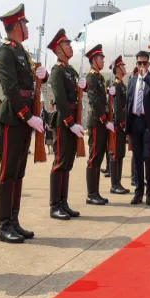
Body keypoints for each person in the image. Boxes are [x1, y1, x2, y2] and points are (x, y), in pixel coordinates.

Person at [0, 3, 47, 243]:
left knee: (18, 172)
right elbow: (11, 88)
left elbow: (29, 84)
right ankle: (4, 225)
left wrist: (42, 76)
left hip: (23, 119)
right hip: (12, 119)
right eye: (25, 24)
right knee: (7, 172)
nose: (27, 27)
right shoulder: (5, 51)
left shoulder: (23, 52)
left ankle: (14, 221)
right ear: (17, 25)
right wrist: (27, 115)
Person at [47, 29, 83, 220]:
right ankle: (55, 205)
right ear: (59, 49)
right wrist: (70, 122)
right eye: (67, 44)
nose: (70, 46)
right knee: (60, 162)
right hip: (63, 122)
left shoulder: (70, 70)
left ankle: (63, 202)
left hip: (71, 121)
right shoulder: (57, 70)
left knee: (67, 163)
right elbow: (60, 98)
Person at [125, 50, 150, 205]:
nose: (141, 65)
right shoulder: (132, 81)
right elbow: (129, 103)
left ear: (148, 64)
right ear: (136, 64)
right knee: (138, 158)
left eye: (144, 63)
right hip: (135, 123)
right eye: (139, 63)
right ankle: (138, 192)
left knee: (148, 157)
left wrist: (146, 76)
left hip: (149, 124)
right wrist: (127, 128)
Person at [82, 44, 113, 205]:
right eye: (101, 58)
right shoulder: (92, 78)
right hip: (96, 123)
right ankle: (91, 194)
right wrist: (104, 120)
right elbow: (94, 101)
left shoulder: (100, 77)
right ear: (94, 59)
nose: (103, 61)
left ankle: (96, 192)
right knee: (94, 158)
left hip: (101, 123)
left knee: (99, 157)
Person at [109, 55, 130, 194]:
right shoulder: (116, 85)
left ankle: (118, 182)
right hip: (118, 124)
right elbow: (117, 107)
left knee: (121, 154)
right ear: (117, 69)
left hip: (123, 124)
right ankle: (114, 184)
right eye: (122, 66)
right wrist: (122, 123)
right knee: (116, 153)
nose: (125, 68)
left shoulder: (123, 85)